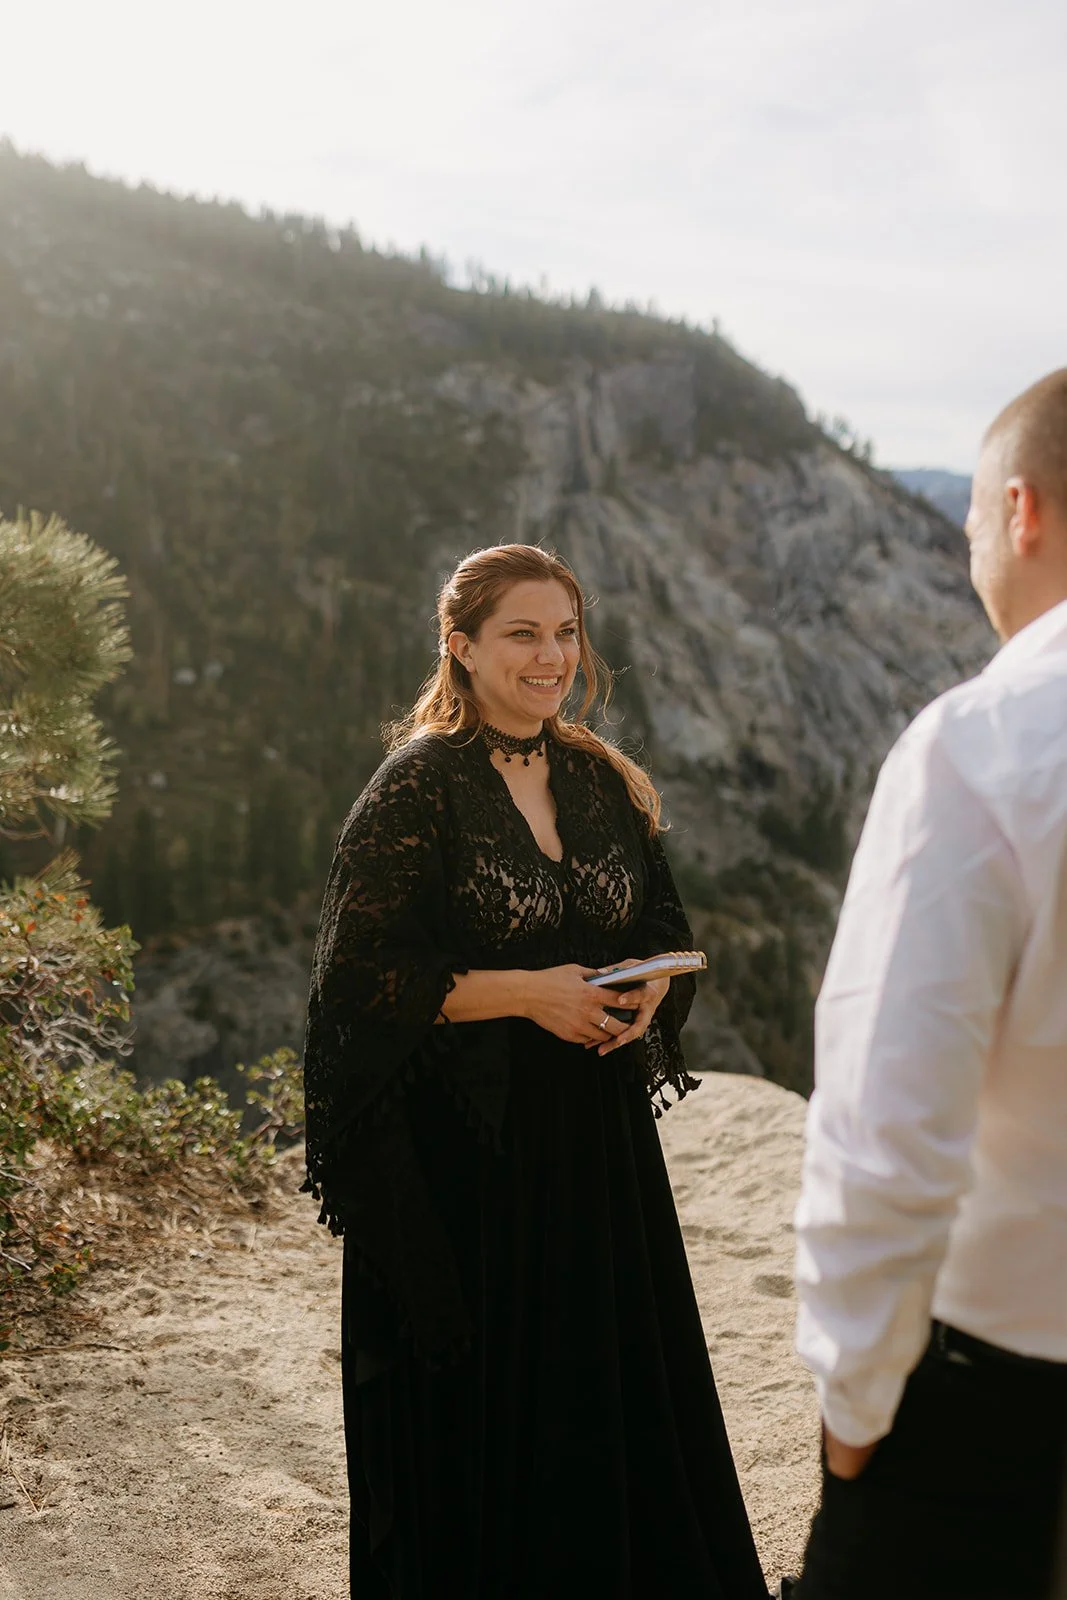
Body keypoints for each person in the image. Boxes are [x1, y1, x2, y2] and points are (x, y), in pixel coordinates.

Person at [302, 543, 768, 1599]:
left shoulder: (599, 776)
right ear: (459, 647)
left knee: (600, 1390)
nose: (551, 655)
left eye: (564, 631)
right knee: (491, 1409)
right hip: (465, 1153)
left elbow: (659, 920)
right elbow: (356, 982)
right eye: (522, 633)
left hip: (596, 1147)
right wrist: (526, 991)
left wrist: (652, 987)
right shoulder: (413, 789)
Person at [791, 370, 1067, 1600]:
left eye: (964, 527)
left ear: (1021, 511)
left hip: (1002, 1396)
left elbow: (885, 1128)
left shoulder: (984, 744)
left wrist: (853, 1399)